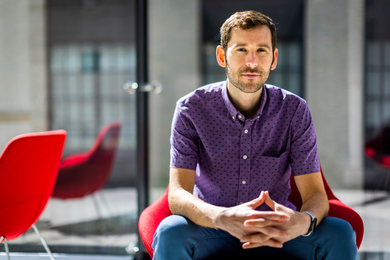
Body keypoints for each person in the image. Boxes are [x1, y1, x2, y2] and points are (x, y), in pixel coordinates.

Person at [152, 10, 359, 260]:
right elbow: (177, 195)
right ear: (221, 56)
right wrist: (220, 217)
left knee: (339, 232)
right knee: (170, 231)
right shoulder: (191, 109)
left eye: (261, 50)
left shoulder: (294, 110)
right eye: (241, 50)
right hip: (214, 228)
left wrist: (304, 221)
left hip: (277, 232)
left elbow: (316, 194)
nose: (252, 62)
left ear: (274, 58)